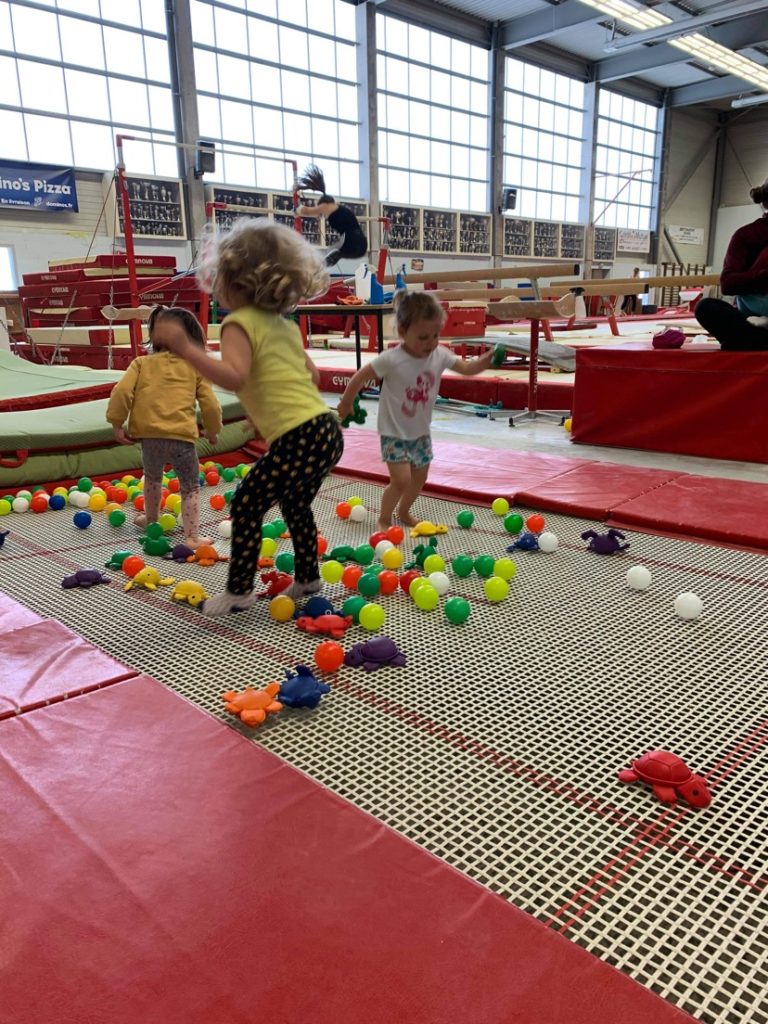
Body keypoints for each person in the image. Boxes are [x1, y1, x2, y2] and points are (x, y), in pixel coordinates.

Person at [149, 218, 343, 617]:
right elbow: (310, 374)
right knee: (295, 504)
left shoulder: (238, 323)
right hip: (325, 430)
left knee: (246, 505)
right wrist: (266, 412)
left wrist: (186, 347)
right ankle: (308, 577)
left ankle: (238, 591)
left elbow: (233, 376)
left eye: (219, 277)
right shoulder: (284, 325)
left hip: (299, 436)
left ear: (236, 282)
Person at [337, 291, 495, 530]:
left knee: (420, 478)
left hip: (420, 432)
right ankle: (384, 517)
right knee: (401, 480)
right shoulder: (391, 359)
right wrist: (347, 403)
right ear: (402, 332)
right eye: (423, 337)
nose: (431, 342)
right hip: (394, 431)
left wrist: (484, 362)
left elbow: (466, 368)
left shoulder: (439, 354)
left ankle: (404, 511)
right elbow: (359, 377)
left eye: (435, 335)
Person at [106, 305, 222, 549]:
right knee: (190, 486)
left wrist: (117, 423)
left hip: (150, 437)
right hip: (182, 438)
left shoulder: (141, 364)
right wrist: (212, 430)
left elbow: (121, 392)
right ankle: (191, 537)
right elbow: (210, 403)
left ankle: (151, 521)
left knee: (152, 479)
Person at [695, 176, 768, 350]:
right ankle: (755, 339)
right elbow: (728, 283)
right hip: (752, 315)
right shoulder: (746, 235)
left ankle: (752, 341)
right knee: (706, 307)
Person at [295, 163, 368, 267]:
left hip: (353, 241)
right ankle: (322, 267)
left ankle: (318, 269)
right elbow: (318, 213)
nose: (321, 212)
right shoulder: (337, 209)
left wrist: (297, 209)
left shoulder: (326, 206)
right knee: (333, 252)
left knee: (331, 253)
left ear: (324, 203)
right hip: (359, 244)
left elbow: (308, 211)